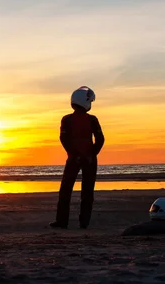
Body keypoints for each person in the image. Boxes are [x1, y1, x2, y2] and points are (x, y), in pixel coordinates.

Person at [50, 86, 105, 229]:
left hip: (75, 158)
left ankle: (62, 222)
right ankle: (84, 223)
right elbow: (100, 139)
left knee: (66, 191)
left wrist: (74, 154)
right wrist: (91, 155)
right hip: (87, 159)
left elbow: (64, 139)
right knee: (86, 192)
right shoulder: (91, 119)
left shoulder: (67, 119)